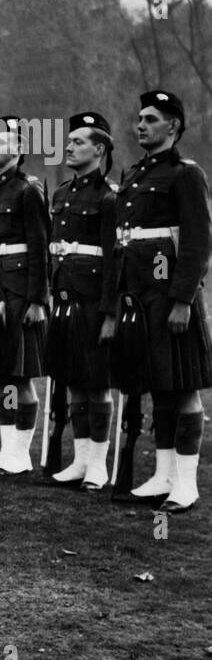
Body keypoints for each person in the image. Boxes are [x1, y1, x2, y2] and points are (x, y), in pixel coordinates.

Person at [113, 90, 212, 511]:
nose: (141, 125)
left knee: (184, 388)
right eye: (139, 118)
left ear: (172, 126)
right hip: (139, 297)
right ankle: (163, 475)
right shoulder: (134, 175)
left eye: (151, 119)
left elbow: (197, 243)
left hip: (171, 296)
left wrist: (183, 300)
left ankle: (185, 485)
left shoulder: (185, 174)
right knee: (159, 385)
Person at [0, 118, 49, 475]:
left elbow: (39, 250)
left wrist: (37, 300)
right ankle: (7, 449)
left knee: (20, 376)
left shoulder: (27, 191)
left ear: (18, 151)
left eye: (2, 142)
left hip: (19, 292)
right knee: (0, 372)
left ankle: (21, 452)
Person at [46, 112, 117, 490]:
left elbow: (114, 262)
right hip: (65, 299)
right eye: (68, 142)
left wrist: (110, 313)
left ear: (100, 149)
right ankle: (80, 459)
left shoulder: (109, 198)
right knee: (74, 381)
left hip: (93, 303)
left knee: (97, 384)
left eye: (78, 142)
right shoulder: (61, 194)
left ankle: (98, 464)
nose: (69, 147)